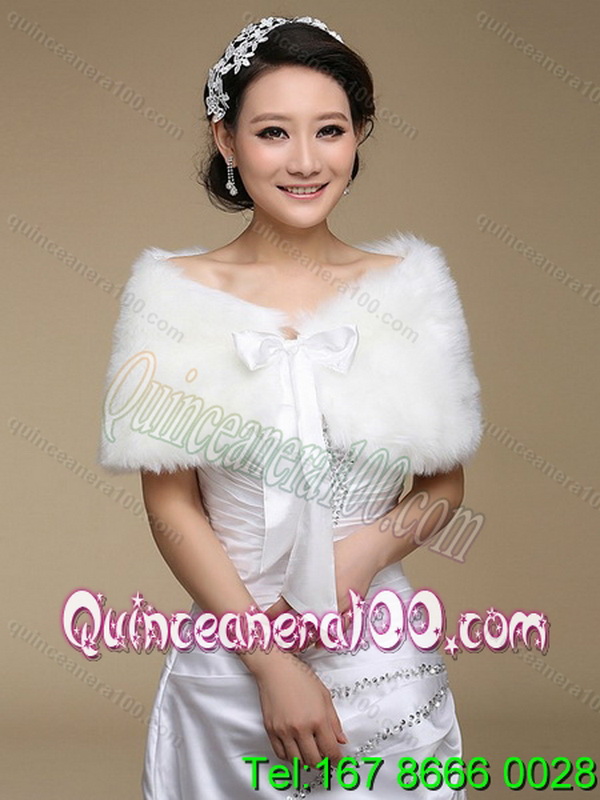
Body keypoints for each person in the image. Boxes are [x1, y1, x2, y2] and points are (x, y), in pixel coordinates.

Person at [98, 15, 483, 799]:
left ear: (358, 135)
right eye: (273, 131)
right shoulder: (170, 295)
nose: (305, 161)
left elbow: (442, 487)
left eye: (329, 130)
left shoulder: (411, 288)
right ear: (227, 140)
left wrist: (349, 569)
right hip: (235, 655)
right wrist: (270, 661)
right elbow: (171, 504)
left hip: (379, 655)